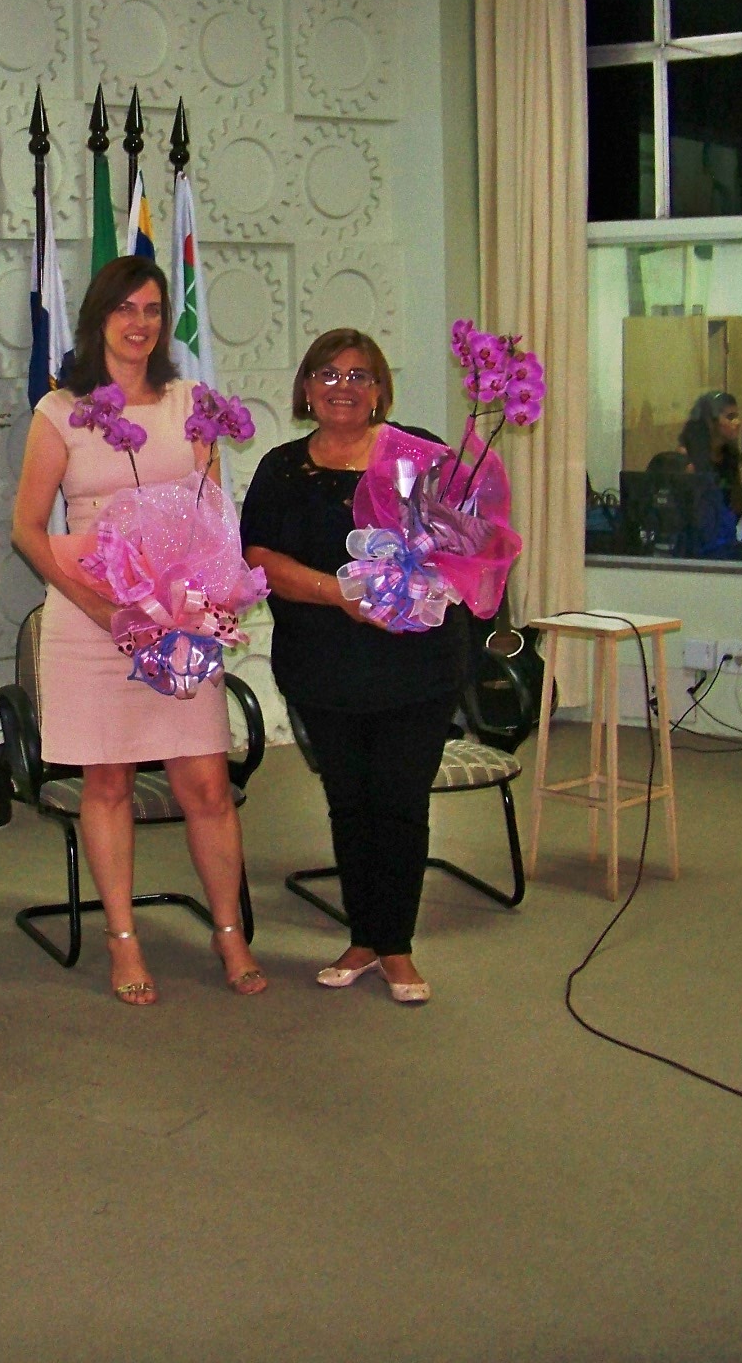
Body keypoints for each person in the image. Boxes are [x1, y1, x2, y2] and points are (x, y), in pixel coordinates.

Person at [9, 255, 265, 1005]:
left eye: (152, 309)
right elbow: (27, 529)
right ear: (98, 319)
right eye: (125, 308)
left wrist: (206, 606)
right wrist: (98, 609)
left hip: (177, 618)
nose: (140, 322)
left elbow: (214, 520)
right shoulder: (63, 411)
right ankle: (124, 939)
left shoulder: (193, 404)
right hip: (92, 620)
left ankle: (229, 931)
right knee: (109, 781)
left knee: (206, 782)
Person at [239, 329, 467, 1004]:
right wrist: (339, 593)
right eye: (328, 374)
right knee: (349, 804)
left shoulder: (418, 455)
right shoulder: (282, 468)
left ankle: (395, 947)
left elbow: (464, 541)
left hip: (417, 666)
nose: (344, 387)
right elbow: (258, 558)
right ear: (307, 388)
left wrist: (427, 574)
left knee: (399, 801)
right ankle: (364, 937)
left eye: (359, 375)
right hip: (323, 667)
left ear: (380, 389)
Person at [676, 390, 742, 558]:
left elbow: (736, 507)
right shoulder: (687, 458)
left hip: (723, 544)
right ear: (710, 421)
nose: (738, 422)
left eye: (737, 416)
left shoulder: (731, 456)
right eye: (730, 417)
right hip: (694, 549)